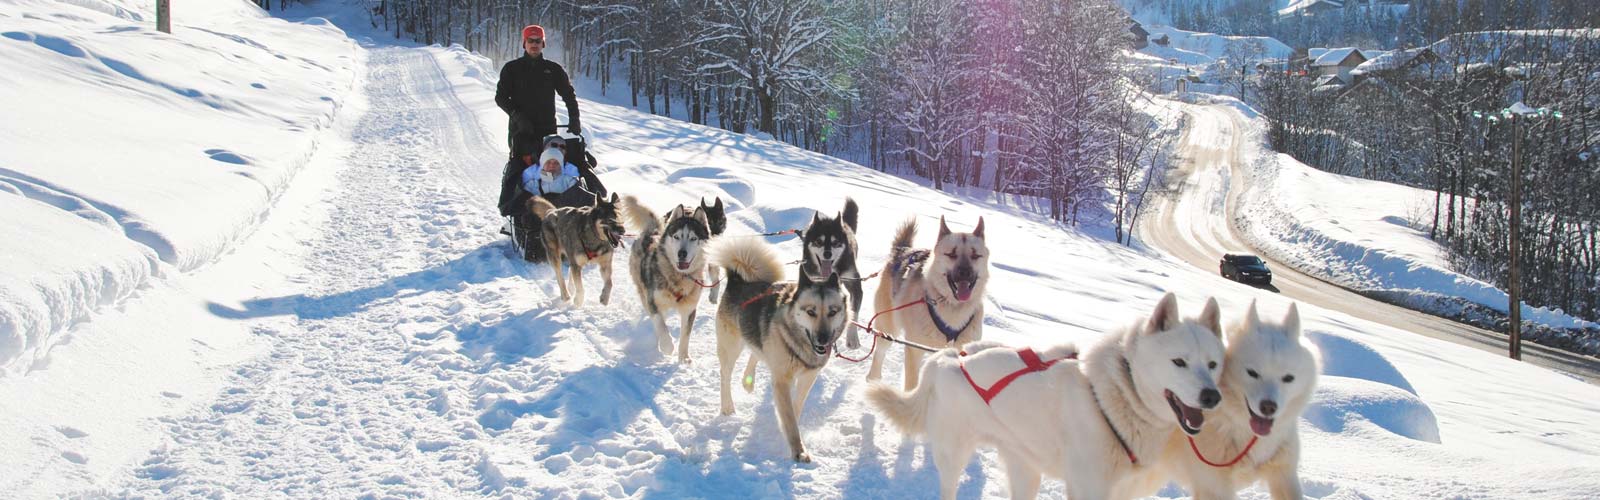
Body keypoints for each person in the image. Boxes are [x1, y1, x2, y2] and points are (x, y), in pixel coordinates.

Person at [524, 146, 596, 208]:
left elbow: (584, 197)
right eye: (548, 162)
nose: (552, 165)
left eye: (556, 163)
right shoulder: (532, 184)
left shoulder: (570, 181)